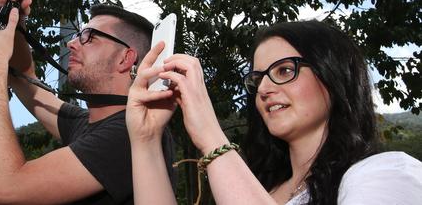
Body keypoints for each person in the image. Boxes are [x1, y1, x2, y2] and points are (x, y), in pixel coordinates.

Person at [126, 20, 422, 204]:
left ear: (334, 76)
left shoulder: (388, 173)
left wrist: (209, 133)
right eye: (258, 78)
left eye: (284, 70)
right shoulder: (257, 188)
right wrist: (146, 140)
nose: (264, 88)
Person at [0, 0, 175, 204]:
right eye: (78, 35)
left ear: (125, 59)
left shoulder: (130, 134)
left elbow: (6, 188)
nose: (72, 43)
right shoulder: (89, 123)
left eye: (89, 37)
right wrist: (15, 23)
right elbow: (23, 78)